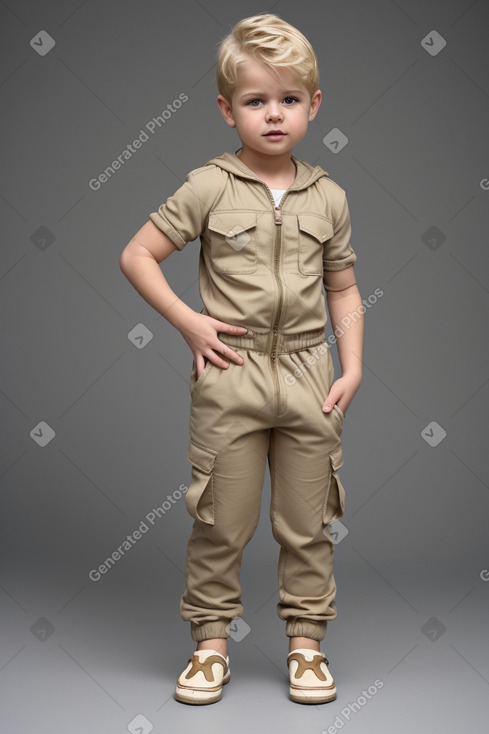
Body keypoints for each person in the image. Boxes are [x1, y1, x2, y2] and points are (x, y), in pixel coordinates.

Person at [119, 12, 364, 705]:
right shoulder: (208, 186)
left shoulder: (330, 197)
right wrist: (188, 322)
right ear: (227, 111)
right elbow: (136, 254)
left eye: (289, 99)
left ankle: (306, 646)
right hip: (231, 374)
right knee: (219, 520)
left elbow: (342, 288)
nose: (274, 115)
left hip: (310, 374)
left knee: (307, 520)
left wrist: (350, 367)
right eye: (256, 101)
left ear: (314, 105)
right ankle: (210, 645)